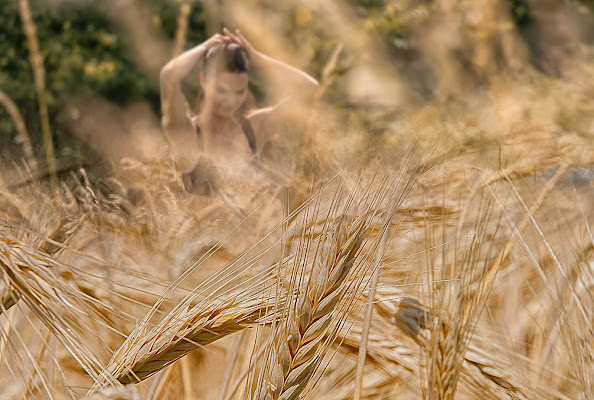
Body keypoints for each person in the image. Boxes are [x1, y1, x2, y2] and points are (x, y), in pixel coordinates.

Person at [160, 28, 319, 195]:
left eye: (239, 92)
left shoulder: (255, 127)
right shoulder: (185, 132)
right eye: (222, 90)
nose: (230, 101)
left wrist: (257, 58)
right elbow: (168, 76)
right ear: (203, 81)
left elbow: (310, 88)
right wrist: (204, 48)